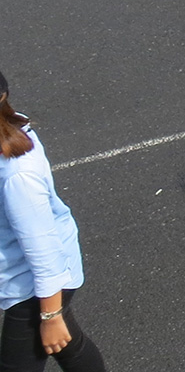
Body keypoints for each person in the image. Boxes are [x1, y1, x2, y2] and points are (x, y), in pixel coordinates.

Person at [0, 71, 107, 372]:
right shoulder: (12, 126)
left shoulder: (18, 177)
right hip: (34, 279)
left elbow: (43, 250)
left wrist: (50, 315)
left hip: (34, 289)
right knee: (70, 346)